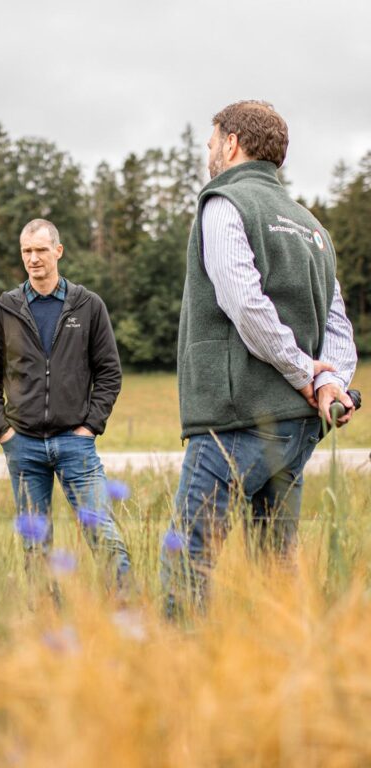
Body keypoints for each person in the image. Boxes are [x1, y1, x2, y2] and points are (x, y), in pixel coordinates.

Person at [161, 100, 357, 616]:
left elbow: (245, 302)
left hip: (236, 418)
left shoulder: (224, 203)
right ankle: (284, 656)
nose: (209, 152)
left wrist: (303, 373)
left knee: (187, 557)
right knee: (276, 567)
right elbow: (338, 324)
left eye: (212, 142)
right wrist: (331, 382)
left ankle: (178, 659)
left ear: (231, 144)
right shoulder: (312, 227)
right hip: (296, 426)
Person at [0, 218, 131, 594]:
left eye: (41, 250)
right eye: (26, 251)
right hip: (23, 446)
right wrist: (3, 431)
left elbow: (109, 372)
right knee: (36, 548)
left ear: (58, 251)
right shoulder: (4, 309)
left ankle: (127, 611)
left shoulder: (88, 305)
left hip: (75, 443)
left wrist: (90, 426)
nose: (33, 258)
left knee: (104, 536)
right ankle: (48, 620)